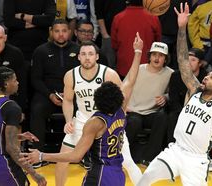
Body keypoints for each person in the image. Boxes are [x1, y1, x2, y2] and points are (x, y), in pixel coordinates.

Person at [21, 33, 143, 186]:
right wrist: (68, 120)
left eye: (91, 54)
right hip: (82, 121)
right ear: (78, 57)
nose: (87, 57)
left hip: (106, 122)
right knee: (62, 160)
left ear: (97, 56)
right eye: (83, 54)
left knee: (129, 163)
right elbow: (68, 100)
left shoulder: (109, 74)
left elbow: (123, 94)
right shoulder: (71, 75)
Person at [137, 3, 212, 185]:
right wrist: (182, 28)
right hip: (175, 151)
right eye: (208, 74)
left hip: (195, 160)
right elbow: (183, 60)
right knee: (145, 180)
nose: (207, 76)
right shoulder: (194, 90)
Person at [0, 66, 46, 186]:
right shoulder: (11, 107)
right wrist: (34, 174)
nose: (18, 83)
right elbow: (11, 148)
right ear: (6, 84)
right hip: (0, 164)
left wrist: (18, 136)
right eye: (15, 80)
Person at [30, 19, 80, 159]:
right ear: (51, 32)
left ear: (69, 32)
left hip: (73, 95)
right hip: (48, 95)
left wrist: (71, 94)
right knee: (37, 109)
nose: (61, 34)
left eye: (64, 31)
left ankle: (82, 153)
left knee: (84, 111)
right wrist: (50, 95)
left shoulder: (78, 51)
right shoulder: (41, 51)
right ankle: (36, 154)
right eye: (57, 31)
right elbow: (36, 79)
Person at [125, 41, 174, 165]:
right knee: (134, 122)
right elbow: (123, 87)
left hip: (152, 112)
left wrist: (165, 97)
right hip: (134, 111)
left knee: (162, 117)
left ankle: (150, 157)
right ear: (150, 56)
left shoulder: (170, 73)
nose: (157, 58)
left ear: (166, 58)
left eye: (161, 55)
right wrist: (124, 106)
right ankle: (124, 156)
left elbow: (173, 93)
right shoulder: (139, 69)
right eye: (154, 54)